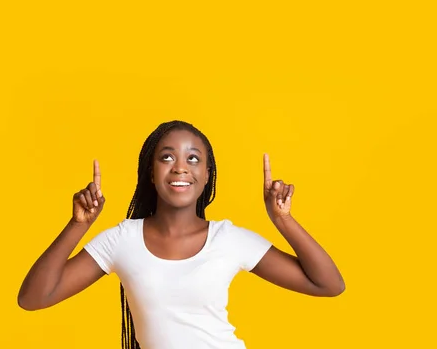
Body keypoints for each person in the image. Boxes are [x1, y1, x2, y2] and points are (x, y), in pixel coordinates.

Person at [18, 120, 345, 349]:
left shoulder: (228, 240)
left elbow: (328, 284)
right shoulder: (121, 240)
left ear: (206, 175)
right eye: (167, 157)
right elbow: (33, 298)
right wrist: (78, 225)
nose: (180, 167)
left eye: (193, 159)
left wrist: (282, 220)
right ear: (151, 172)